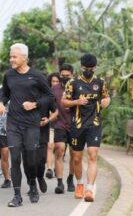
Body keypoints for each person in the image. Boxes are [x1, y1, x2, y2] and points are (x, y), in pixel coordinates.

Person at [0, 43, 54, 207]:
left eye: (14, 57)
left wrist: (35, 104)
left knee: (30, 160)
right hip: (13, 123)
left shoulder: (37, 76)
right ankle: (17, 196)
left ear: (24, 57)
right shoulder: (9, 75)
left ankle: (32, 185)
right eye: (10, 56)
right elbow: (5, 94)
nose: (11, 59)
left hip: (31, 124)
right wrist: (1, 103)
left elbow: (49, 96)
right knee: (14, 158)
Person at [61, 54, 110, 202]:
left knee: (93, 155)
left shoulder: (100, 82)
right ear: (81, 67)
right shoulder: (72, 83)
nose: (88, 70)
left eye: (90, 69)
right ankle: (80, 184)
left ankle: (89, 189)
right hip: (77, 125)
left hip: (94, 124)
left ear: (95, 68)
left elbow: (106, 96)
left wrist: (106, 101)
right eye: (85, 68)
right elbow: (64, 102)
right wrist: (77, 101)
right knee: (76, 158)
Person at [23, 74, 58, 194]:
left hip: (42, 131)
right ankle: (31, 184)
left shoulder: (47, 97)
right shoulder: (25, 95)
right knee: (28, 161)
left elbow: (55, 112)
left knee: (40, 160)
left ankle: (40, 177)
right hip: (26, 131)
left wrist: (48, 120)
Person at [53, 64, 75, 194]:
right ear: (59, 75)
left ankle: (70, 179)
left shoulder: (78, 87)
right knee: (59, 151)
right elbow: (50, 105)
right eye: (63, 76)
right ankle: (59, 183)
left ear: (72, 75)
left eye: (67, 76)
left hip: (75, 125)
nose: (65, 78)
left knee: (74, 155)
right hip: (59, 125)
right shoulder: (54, 89)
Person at [45, 73, 60, 179]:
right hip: (50, 122)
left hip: (61, 123)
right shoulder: (47, 92)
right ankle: (49, 169)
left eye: (56, 81)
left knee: (58, 148)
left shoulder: (64, 92)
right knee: (50, 146)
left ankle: (57, 167)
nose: (54, 83)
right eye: (53, 81)